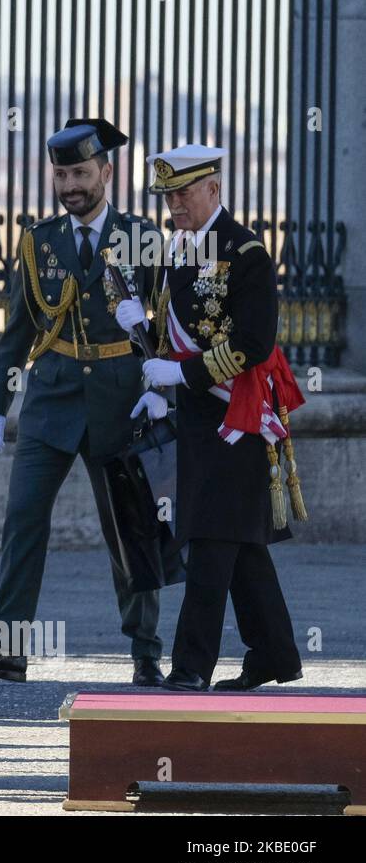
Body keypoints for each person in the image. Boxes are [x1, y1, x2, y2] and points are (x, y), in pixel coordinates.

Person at [0, 119, 165, 686]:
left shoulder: (142, 238)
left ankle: (145, 652)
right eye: (61, 173)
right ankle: (8, 647)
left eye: (80, 173)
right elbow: (18, 328)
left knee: (129, 527)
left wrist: (160, 390)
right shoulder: (38, 241)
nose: (70, 184)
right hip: (50, 399)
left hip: (120, 400)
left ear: (107, 174)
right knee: (23, 521)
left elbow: (165, 327)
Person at [134, 145, 304, 692]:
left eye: (183, 192)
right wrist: (152, 357)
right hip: (196, 420)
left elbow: (253, 342)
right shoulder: (177, 250)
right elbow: (174, 331)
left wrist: (181, 377)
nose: (174, 204)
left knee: (210, 539)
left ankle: (190, 667)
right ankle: (274, 656)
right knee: (240, 542)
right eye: (167, 195)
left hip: (240, 416)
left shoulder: (247, 253)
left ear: (213, 188)